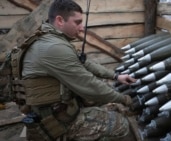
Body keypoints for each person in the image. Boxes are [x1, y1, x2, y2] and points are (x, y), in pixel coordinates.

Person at [12, 0, 139, 140]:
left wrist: (116, 76)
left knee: (102, 92)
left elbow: (85, 63)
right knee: (120, 124)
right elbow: (88, 84)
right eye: (77, 22)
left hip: (52, 110)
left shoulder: (50, 39)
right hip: (54, 123)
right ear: (60, 20)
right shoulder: (54, 48)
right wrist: (124, 99)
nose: (82, 27)